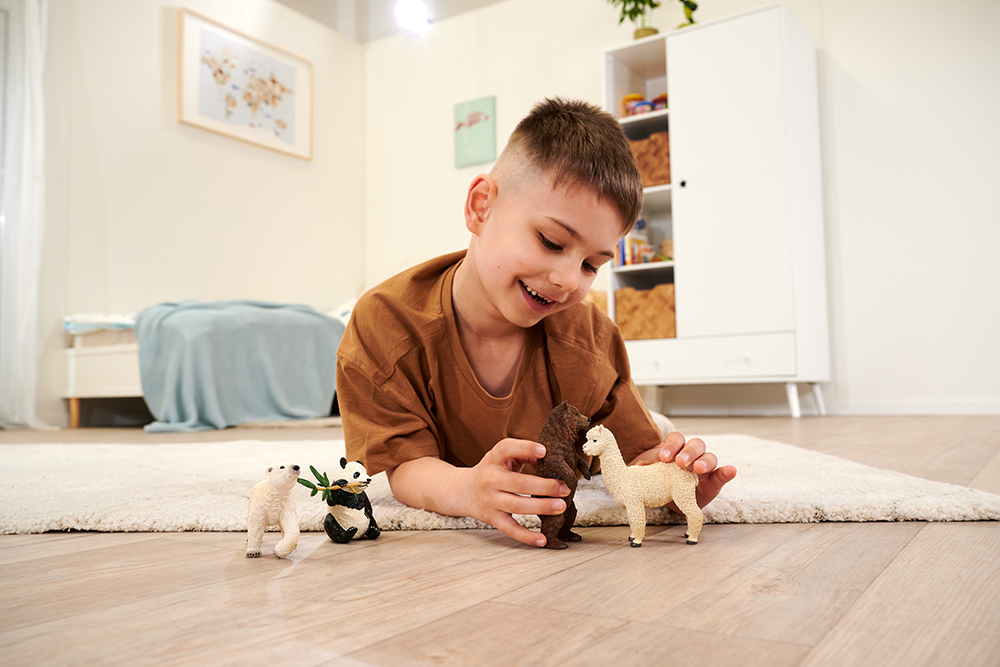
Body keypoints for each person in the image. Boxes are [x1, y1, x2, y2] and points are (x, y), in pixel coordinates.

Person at [336, 98, 737, 547]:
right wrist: (467, 489)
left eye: (591, 265)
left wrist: (670, 480)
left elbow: (634, 457)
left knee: (656, 430)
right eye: (550, 241)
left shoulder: (589, 337)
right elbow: (406, 466)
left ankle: (659, 421)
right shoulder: (384, 325)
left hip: (587, 434)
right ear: (481, 207)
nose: (568, 280)